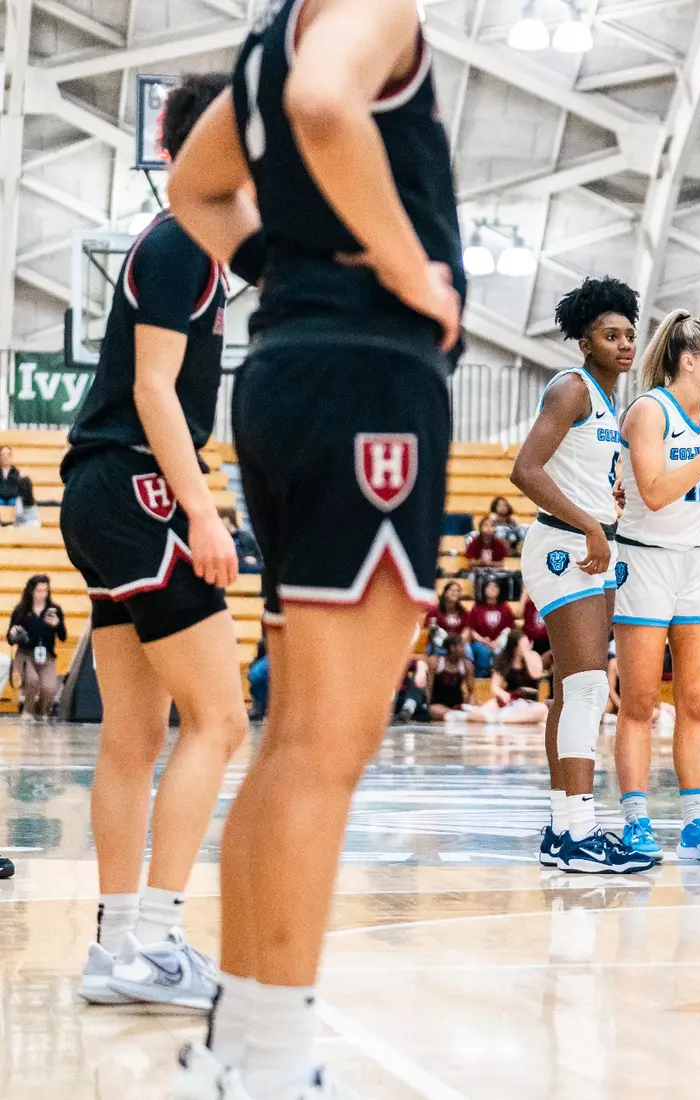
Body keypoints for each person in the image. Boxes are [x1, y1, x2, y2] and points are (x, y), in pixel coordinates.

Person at [167, 0, 466, 1094]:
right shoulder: (369, 11)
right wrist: (401, 267)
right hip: (368, 378)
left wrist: (293, 264)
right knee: (323, 751)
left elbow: (192, 187)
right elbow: (325, 101)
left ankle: (243, 1040)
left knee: (292, 739)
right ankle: (275, 1061)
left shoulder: (260, 42)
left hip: (290, 368)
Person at [56, 73, 248, 1017]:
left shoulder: (190, 247)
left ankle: (117, 946)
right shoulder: (179, 246)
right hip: (136, 488)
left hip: (100, 494)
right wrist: (202, 509)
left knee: (134, 736)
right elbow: (154, 388)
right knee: (221, 719)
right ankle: (160, 941)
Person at [510, 277, 655, 875]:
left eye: (628, 334)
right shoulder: (571, 390)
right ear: (584, 339)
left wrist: (607, 503)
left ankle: (564, 827)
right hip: (562, 545)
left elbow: (576, 472)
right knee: (588, 689)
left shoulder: (607, 397)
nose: (623, 344)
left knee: (575, 690)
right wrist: (591, 525)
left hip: (587, 544)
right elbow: (526, 469)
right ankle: (577, 831)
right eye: (609, 334)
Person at [611, 309, 700, 864]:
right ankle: (636, 822)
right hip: (645, 562)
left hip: (697, 564)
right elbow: (652, 492)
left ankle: (697, 822)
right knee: (641, 704)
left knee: (697, 703)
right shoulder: (648, 411)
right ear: (688, 361)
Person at [7, 575, 67, 719]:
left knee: (49, 688)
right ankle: (28, 711)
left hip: (46, 654)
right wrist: (14, 633)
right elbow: (10, 638)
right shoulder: (21, 609)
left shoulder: (54, 610)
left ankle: (40, 713)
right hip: (25, 653)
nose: (42, 594)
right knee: (31, 680)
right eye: (38, 591)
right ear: (31, 591)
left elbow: (63, 637)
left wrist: (57, 625)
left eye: (45, 591)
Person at [465, 575, 513, 683]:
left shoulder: (505, 607)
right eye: (489, 587)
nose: (492, 589)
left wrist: (497, 642)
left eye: (495, 587)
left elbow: (509, 629)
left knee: (501, 653)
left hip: (499, 642)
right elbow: (471, 630)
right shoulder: (477, 607)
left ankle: (499, 681)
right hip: (479, 642)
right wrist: (483, 641)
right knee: (483, 652)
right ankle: (481, 680)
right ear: (484, 589)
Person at [426, 637, 474, 722]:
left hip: (457, 704)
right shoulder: (435, 661)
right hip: (437, 704)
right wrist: (426, 706)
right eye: (462, 646)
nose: (465, 650)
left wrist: (472, 708)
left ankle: (458, 716)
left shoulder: (467, 665)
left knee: (478, 707)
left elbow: (471, 692)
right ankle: (458, 716)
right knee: (432, 710)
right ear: (452, 648)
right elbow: (428, 688)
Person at [426, 581, 468, 651]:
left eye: (457, 591)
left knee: (468, 651)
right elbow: (431, 630)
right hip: (439, 643)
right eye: (451, 590)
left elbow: (466, 630)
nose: (455, 593)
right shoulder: (434, 611)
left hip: (458, 643)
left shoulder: (464, 612)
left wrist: (458, 642)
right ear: (445, 593)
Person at [220, 507, 263, 574]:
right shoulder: (220, 537)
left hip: (243, 565)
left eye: (222, 518)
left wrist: (254, 559)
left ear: (229, 520)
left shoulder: (245, 536)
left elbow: (256, 556)